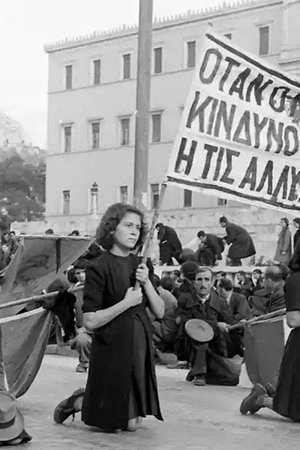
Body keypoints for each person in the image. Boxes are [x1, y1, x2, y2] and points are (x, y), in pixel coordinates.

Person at [53, 203, 164, 432]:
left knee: (131, 423)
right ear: (112, 229)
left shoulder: (142, 264)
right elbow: (90, 321)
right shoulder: (98, 267)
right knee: (117, 423)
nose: (134, 231)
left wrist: (147, 284)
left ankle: (95, 401)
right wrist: (126, 303)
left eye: (138, 227)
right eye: (128, 225)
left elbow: (160, 311)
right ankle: (78, 402)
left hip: (139, 343)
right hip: (112, 346)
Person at [239, 244, 300, 421]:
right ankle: (261, 399)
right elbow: (293, 319)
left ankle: (271, 391)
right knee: (295, 411)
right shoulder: (296, 280)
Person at [175, 266, 233, 386]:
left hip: (215, 346)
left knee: (231, 378)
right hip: (191, 343)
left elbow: (229, 322)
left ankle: (198, 370)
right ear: (194, 283)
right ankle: (199, 373)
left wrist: (239, 324)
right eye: (199, 280)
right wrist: (216, 325)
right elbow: (187, 322)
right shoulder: (185, 300)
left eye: (207, 280)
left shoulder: (220, 303)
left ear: (212, 283)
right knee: (200, 336)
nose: (203, 284)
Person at [217, 278, 252, 357]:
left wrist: (228, 322)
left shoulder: (240, 298)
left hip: (241, 327)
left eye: (217, 288)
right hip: (228, 327)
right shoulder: (217, 300)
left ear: (221, 289)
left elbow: (240, 315)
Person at [70, 261, 92, 373]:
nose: (81, 276)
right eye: (78, 273)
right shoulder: (73, 291)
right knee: (81, 340)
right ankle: (84, 362)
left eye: (84, 272)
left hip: (101, 327)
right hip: (83, 331)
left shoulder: (98, 288)